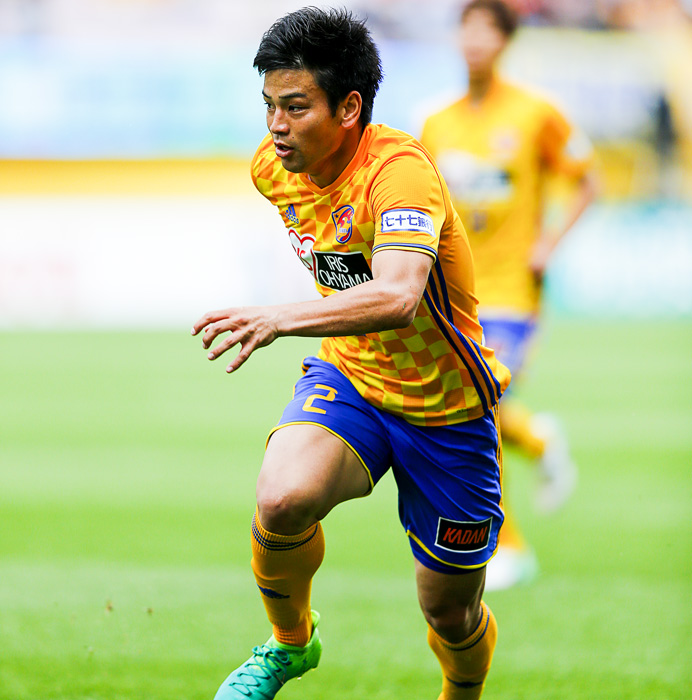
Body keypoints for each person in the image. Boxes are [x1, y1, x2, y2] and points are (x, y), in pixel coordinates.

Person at [192, 8, 510, 700]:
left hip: (446, 406)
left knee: (449, 611)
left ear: (349, 108)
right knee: (282, 497)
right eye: (269, 106)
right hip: (353, 377)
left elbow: (397, 296)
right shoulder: (274, 169)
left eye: (295, 107)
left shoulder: (400, 173)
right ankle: (289, 643)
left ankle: (462, 693)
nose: (276, 126)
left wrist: (278, 317)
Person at [421, 0, 597, 591]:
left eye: (488, 30)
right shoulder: (436, 123)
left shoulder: (535, 113)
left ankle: (509, 548)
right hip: (454, 294)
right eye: (467, 29)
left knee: (478, 411)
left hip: (514, 292)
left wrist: (549, 242)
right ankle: (540, 439)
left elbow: (587, 181)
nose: (475, 40)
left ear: (506, 41)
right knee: (475, 411)